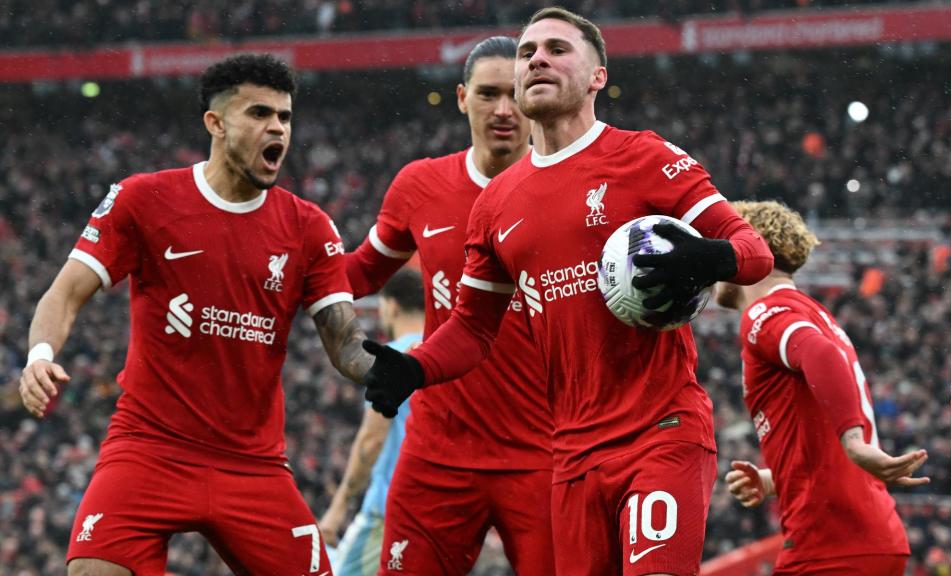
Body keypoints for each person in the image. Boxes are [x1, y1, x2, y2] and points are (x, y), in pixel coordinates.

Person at [361, 8, 774, 575]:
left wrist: (704, 257)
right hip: (572, 453)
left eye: (557, 49)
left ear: (598, 75)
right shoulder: (497, 203)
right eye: (529, 52)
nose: (537, 60)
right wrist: (417, 369)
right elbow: (474, 328)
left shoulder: (646, 157)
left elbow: (754, 252)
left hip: (662, 431)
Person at [17, 53, 372, 576]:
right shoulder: (145, 199)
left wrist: (407, 368)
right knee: (91, 570)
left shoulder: (309, 227)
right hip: (149, 448)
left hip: (253, 466)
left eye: (285, 117)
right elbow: (64, 293)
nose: (277, 127)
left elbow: (346, 345)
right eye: (259, 114)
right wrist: (40, 356)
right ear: (215, 122)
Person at [335, 37, 555, 574]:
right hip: (437, 448)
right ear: (461, 98)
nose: (503, 111)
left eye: (515, 94)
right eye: (487, 94)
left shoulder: (570, 189)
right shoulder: (420, 185)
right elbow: (360, 271)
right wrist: (271, 267)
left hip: (542, 451)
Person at [716, 200, 927, 575]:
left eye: (725, 245)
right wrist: (772, 480)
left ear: (750, 250)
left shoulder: (764, 313)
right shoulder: (815, 314)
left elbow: (820, 354)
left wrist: (853, 442)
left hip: (830, 545)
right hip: (866, 536)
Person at [321, 268, 424, 576]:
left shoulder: (392, 357)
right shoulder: (442, 355)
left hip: (390, 508)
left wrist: (336, 512)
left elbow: (372, 438)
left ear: (391, 305)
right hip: (438, 505)